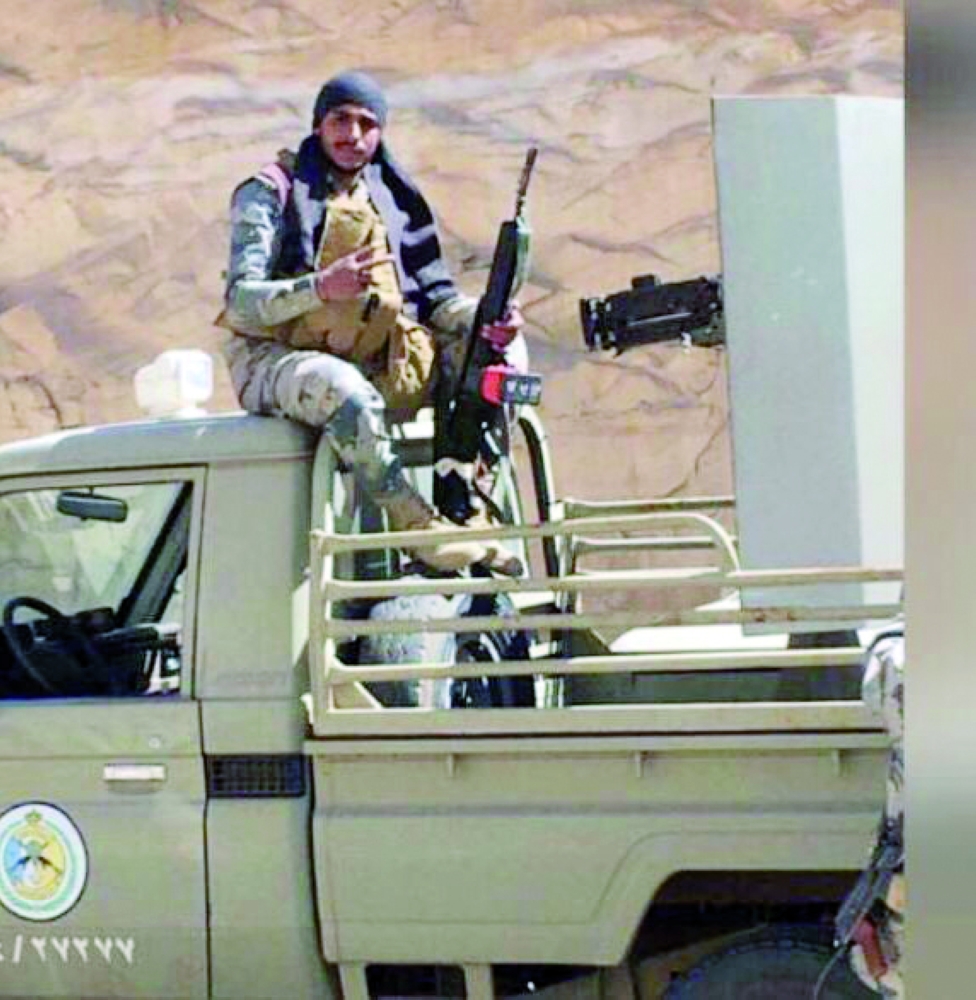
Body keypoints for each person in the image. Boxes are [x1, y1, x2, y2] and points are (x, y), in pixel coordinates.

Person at [217, 70, 525, 575]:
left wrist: (488, 318)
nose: (353, 135)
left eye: (367, 123)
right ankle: (417, 525)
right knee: (344, 389)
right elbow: (240, 304)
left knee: (499, 352)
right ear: (318, 125)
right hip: (273, 359)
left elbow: (434, 299)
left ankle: (467, 501)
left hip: (373, 354)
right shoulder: (269, 192)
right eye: (340, 120)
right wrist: (320, 287)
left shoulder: (390, 200)